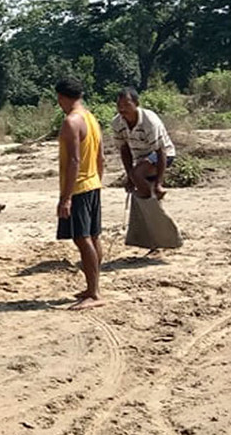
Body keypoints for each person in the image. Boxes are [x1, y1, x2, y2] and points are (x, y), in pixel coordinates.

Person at [55, 77, 105, 310]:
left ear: (61, 97)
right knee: (93, 236)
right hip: (93, 184)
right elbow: (101, 157)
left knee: (81, 238)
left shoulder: (71, 122)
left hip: (79, 188)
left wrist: (66, 198)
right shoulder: (91, 118)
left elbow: (74, 160)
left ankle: (93, 294)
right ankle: (92, 287)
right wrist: (97, 182)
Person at [112, 87, 176, 200]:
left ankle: (152, 199)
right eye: (119, 105)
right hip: (142, 159)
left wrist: (158, 183)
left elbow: (161, 150)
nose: (122, 109)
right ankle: (150, 203)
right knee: (135, 176)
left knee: (138, 175)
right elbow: (124, 149)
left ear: (136, 103)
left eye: (127, 105)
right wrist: (130, 177)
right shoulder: (117, 123)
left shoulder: (149, 121)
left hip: (164, 154)